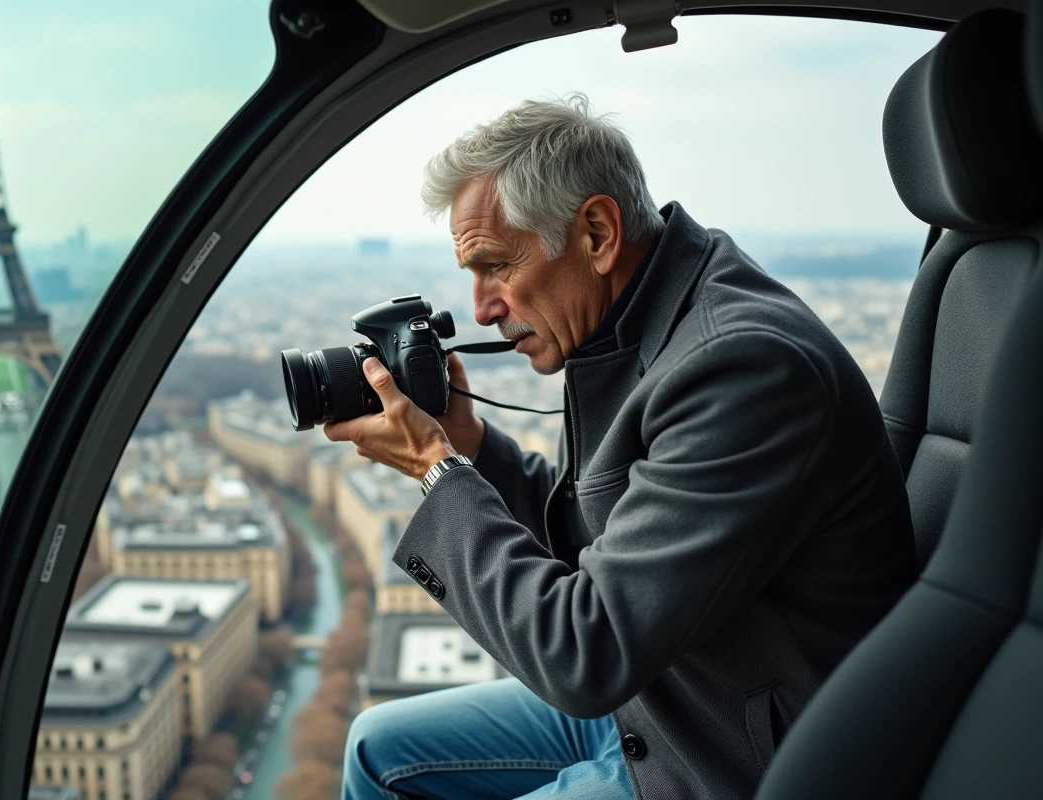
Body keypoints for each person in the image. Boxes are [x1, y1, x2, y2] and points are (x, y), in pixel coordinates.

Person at [325, 94, 916, 800]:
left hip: (733, 757)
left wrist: (437, 470)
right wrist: (472, 446)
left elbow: (586, 655)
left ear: (598, 234)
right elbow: (598, 540)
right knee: (376, 747)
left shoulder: (741, 369)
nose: (481, 308)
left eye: (497, 266)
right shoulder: (642, 319)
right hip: (670, 698)